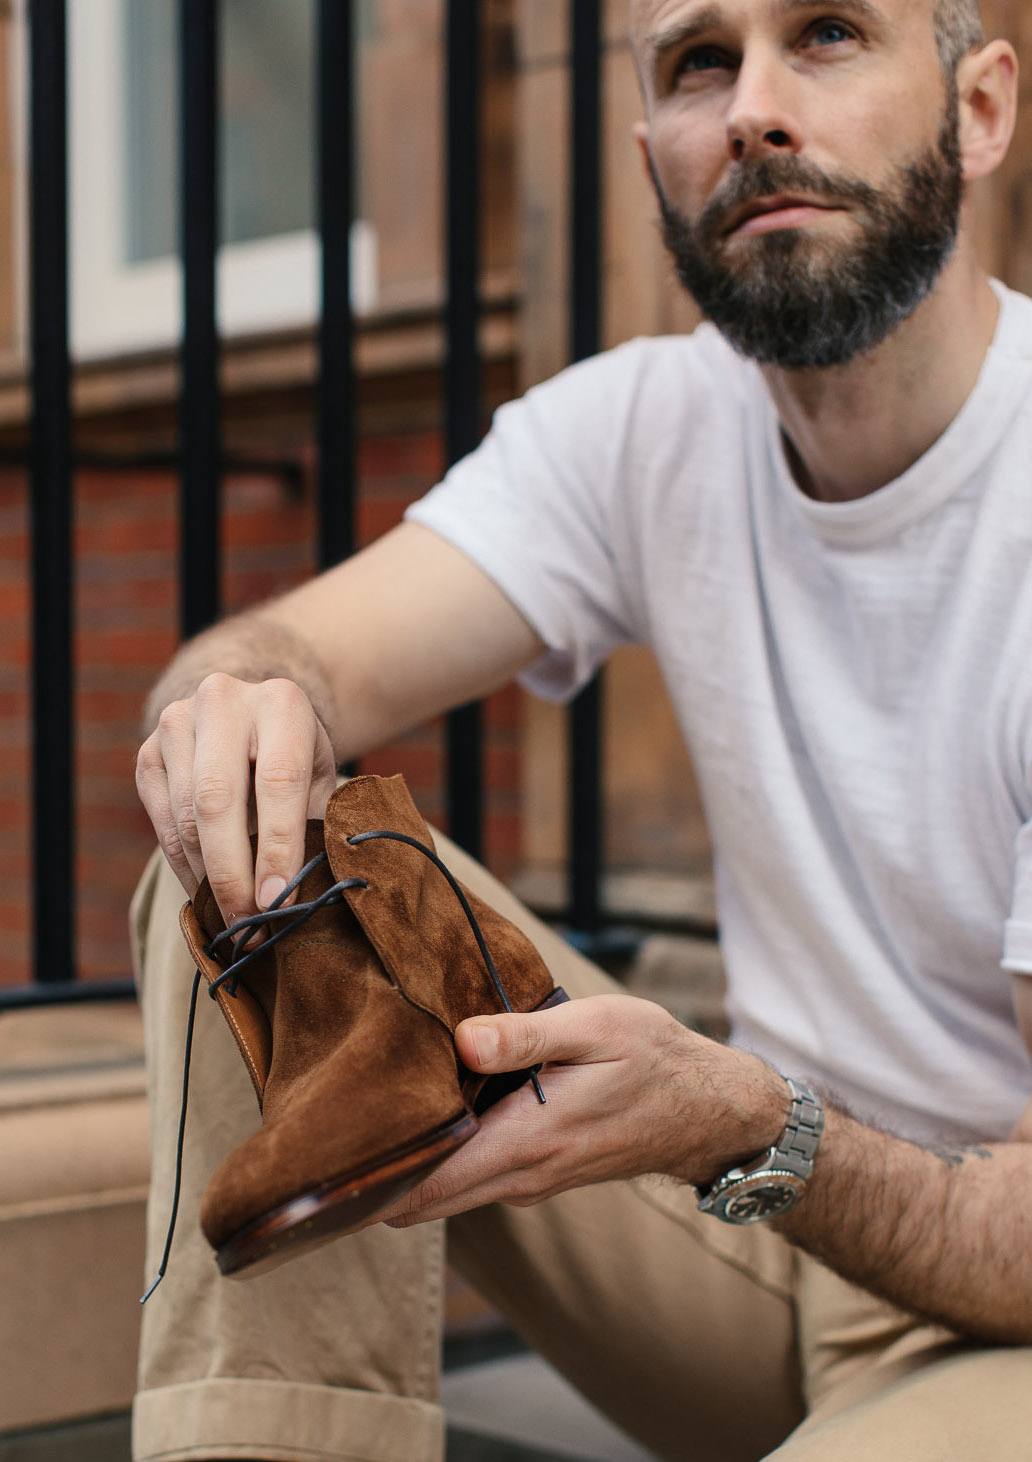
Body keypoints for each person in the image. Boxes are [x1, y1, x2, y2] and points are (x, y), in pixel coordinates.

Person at [130, 2, 1032, 1459]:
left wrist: (741, 1120)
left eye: (829, 34)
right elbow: (272, 652)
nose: (752, 109)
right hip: (763, 1253)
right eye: (698, 64)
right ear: (651, 154)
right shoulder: (643, 427)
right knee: (235, 857)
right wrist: (234, 711)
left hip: (1004, 1294)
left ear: (980, 110)